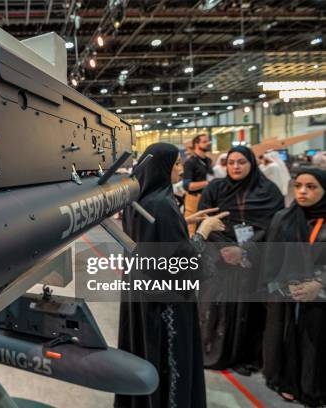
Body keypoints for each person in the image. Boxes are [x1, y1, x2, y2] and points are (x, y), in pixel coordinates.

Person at [115, 143, 227, 408]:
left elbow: (150, 235)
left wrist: (185, 221)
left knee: (145, 354)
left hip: (141, 294)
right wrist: (203, 230)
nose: (180, 169)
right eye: (176, 164)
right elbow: (182, 261)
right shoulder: (163, 204)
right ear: (161, 168)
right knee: (169, 361)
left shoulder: (139, 200)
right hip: (166, 304)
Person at [197, 146, 284, 374]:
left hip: (253, 261)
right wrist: (226, 250)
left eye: (241, 162)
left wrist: (245, 250)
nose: (236, 166)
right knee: (218, 309)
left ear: (252, 164)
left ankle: (245, 356)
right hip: (220, 259)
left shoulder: (269, 191)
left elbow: (271, 227)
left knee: (249, 311)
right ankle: (214, 352)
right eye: (231, 162)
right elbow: (205, 221)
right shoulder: (216, 188)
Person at [262, 168, 326, 406]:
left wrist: (319, 284)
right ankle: (288, 381)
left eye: (311, 187)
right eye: (298, 185)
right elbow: (271, 258)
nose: (302, 192)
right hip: (289, 293)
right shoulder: (284, 218)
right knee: (286, 338)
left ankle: (314, 386)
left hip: (319, 296)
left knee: (315, 341)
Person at [183, 135, 213, 234]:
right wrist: (208, 183)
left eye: (208, 141)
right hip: (194, 199)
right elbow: (187, 186)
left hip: (207, 198)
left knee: (206, 227)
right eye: (204, 142)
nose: (208, 143)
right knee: (192, 228)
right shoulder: (190, 162)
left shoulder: (208, 161)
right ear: (196, 144)